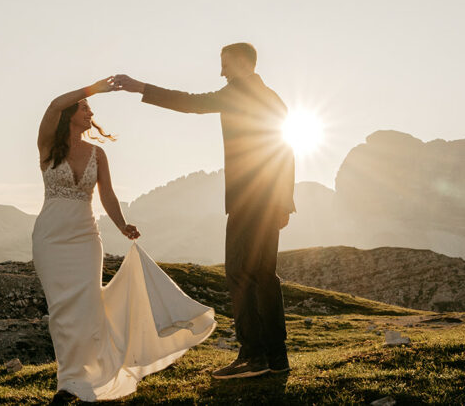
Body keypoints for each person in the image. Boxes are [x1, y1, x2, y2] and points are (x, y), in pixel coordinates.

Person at [113, 43, 295, 379]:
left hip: (251, 200)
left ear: (242, 64)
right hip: (269, 200)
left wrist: (140, 87)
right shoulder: (270, 95)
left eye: (225, 65)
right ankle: (275, 357)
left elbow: (192, 103)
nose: (221, 71)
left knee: (241, 273)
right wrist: (285, 201)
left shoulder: (240, 93)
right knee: (262, 276)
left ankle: (253, 357)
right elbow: (286, 147)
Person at [32, 77, 216, 401]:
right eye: (85, 107)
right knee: (61, 312)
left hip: (85, 238)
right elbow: (53, 105)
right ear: (70, 114)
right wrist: (94, 88)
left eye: (91, 107)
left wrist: (122, 225)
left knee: (88, 308)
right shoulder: (49, 145)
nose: (91, 112)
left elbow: (108, 195)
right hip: (51, 238)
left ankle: (76, 383)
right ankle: (70, 381)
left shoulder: (98, 154)